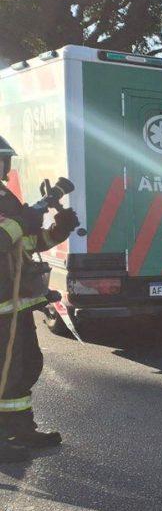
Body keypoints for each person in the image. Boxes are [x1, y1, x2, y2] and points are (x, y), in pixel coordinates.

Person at [0, 136, 79, 459]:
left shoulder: (6, 197)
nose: (3, 166)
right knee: (3, 372)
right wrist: (22, 222)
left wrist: (59, 230)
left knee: (24, 367)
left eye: (4, 160)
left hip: (14, 302)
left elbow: (27, 244)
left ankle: (21, 430)